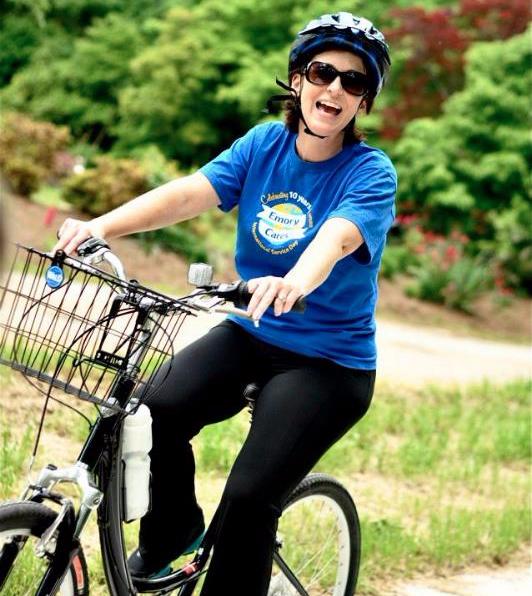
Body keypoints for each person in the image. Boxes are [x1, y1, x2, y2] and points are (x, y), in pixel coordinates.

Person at [54, 12, 396, 595]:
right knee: (149, 413)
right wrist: (101, 226)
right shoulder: (263, 145)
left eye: (354, 81)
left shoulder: (370, 172)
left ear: (363, 101)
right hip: (252, 332)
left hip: (329, 363)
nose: (335, 88)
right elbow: (191, 192)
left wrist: (294, 281)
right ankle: (173, 535)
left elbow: (337, 237)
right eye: (322, 72)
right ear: (298, 79)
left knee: (248, 498)